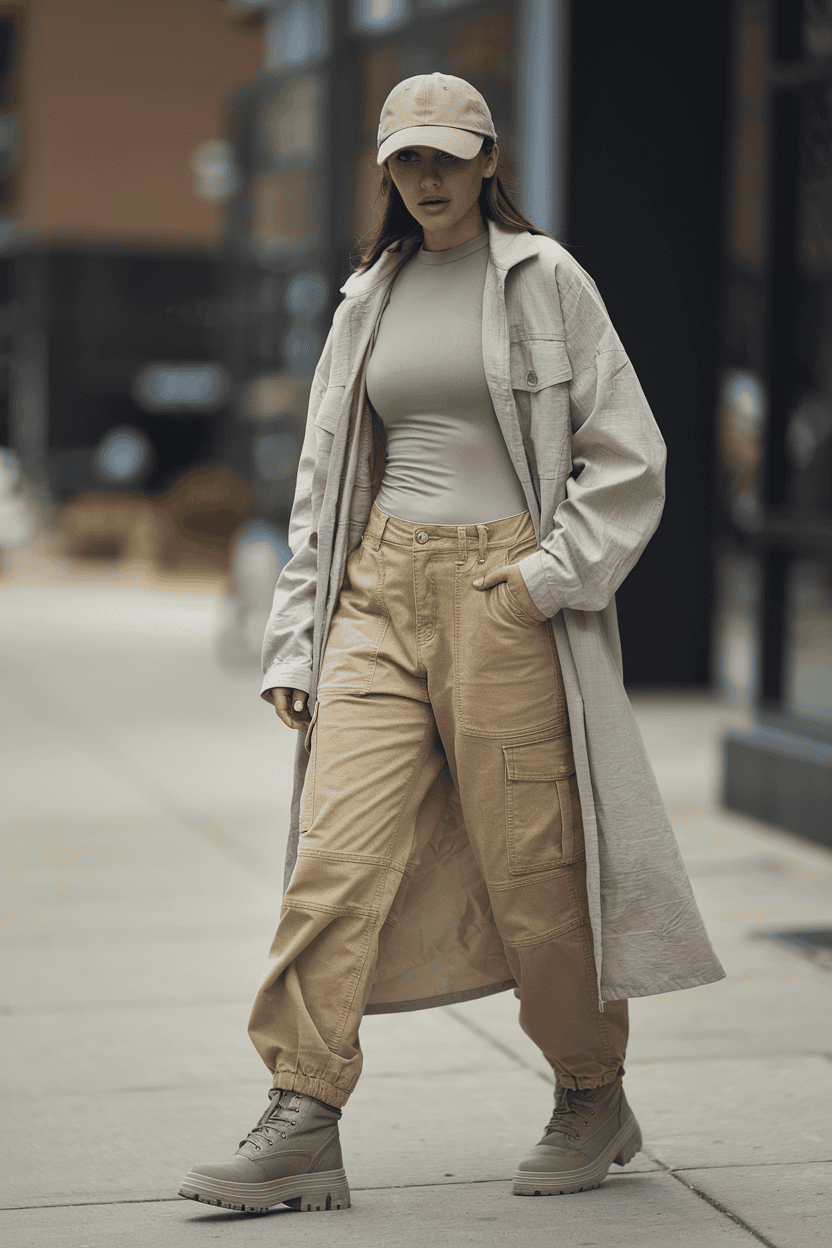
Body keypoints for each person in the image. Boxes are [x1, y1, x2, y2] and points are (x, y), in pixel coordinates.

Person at [179, 71, 725, 1215]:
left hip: (500, 597)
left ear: (488, 161)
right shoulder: (365, 298)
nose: (424, 178)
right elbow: (321, 485)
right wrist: (296, 640)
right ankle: (303, 1114)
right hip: (374, 595)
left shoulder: (543, 280)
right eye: (404, 160)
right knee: (329, 863)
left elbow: (628, 453)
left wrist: (541, 580)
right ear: (384, 171)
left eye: (445, 156)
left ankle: (589, 1090)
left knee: (536, 876)